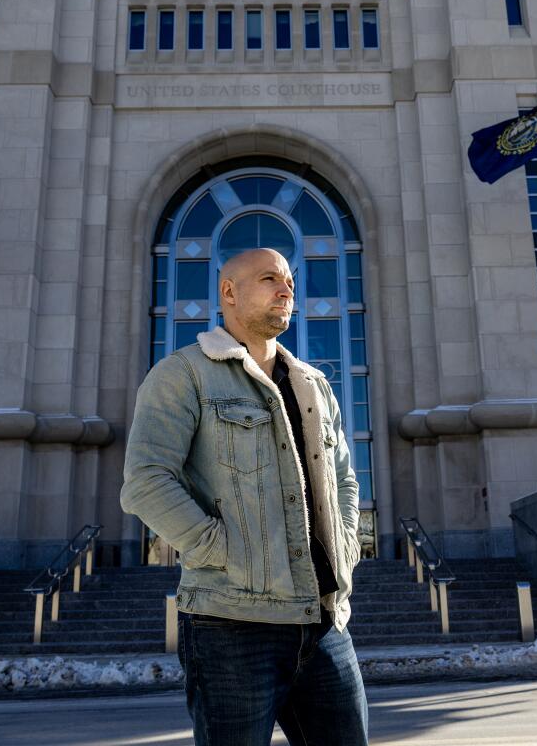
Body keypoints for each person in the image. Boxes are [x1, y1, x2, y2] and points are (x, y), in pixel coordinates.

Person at [121, 247, 369, 746]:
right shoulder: (184, 374)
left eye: (290, 284)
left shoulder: (314, 385)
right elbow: (146, 481)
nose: (286, 290)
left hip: (324, 622)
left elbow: (345, 480)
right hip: (230, 626)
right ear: (228, 292)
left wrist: (346, 543)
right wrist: (224, 552)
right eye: (269, 279)